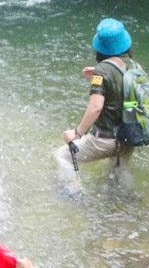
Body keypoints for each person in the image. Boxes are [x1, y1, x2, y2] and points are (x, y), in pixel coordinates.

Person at [55, 18, 137, 195]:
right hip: (129, 137)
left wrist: (76, 133)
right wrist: (101, 72)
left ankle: (74, 198)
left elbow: (96, 108)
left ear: (100, 47)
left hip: (105, 140)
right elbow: (120, 83)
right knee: (116, 175)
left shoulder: (102, 72)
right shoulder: (133, 66)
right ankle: (127, 204)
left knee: (63, 156)